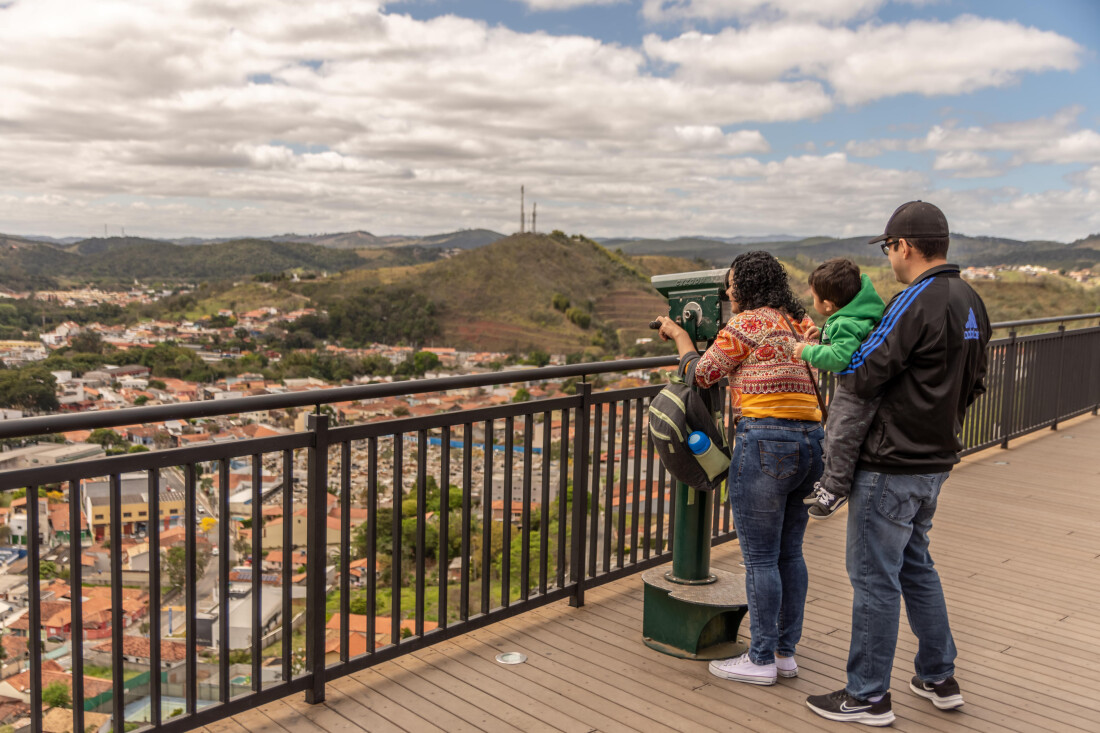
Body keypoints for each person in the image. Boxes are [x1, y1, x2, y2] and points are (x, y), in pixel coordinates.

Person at [805, 201, 991, 726]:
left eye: (888, 247)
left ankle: (866, 696)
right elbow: (976, 381)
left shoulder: (913, 302)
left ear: (904, 246)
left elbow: (862, 372)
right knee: (915, 566)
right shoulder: (971, 300)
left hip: (890, 464)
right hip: (936, 459)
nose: (888, 257)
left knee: (873, 578)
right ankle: (937, 675)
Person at [655, 250, 824, 687]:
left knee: (761, 559)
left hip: (767, 441)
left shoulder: (747, 323)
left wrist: (679, 337)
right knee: (790, 553)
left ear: (744, 287)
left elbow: (702, 375)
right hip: (812, 442)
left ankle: (761, 658)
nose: (727, 291)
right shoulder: (797, 322)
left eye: (731, 284)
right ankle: (785, 653)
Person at [792, 258, 885, 519]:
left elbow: (839, 357)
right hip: (860, 386)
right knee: (833, 431)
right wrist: (822, 335)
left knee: (840, 435)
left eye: (814, 297)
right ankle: (829, 483)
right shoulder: (855, 314)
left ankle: (835, 489)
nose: (813, 301)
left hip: (856, 392)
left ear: (828, 304)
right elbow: (846, 339)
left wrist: (808, 351)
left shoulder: (846, 322)